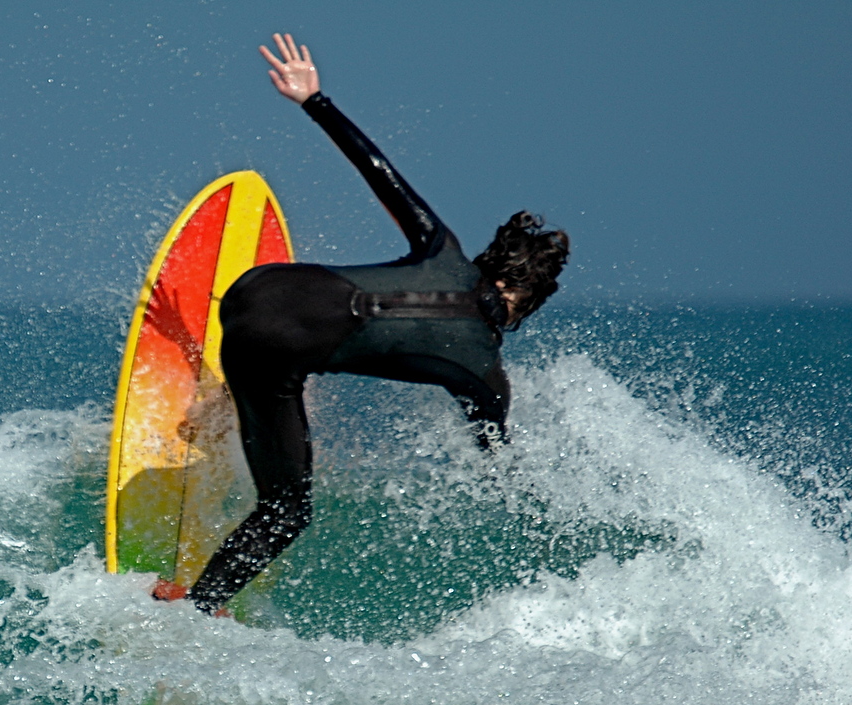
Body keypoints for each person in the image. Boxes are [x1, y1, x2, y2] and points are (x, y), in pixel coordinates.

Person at [153, 33, 570, 615]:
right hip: (266, 348)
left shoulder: (440, 247)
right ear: (523, 301)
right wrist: (528, 502)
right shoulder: (482, 373)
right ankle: (197, 606)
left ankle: (231, 401)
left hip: (257, 285)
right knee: (287, 511)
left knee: (302, 359)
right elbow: (494, 451)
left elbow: (380, 172)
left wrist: (313, 99)